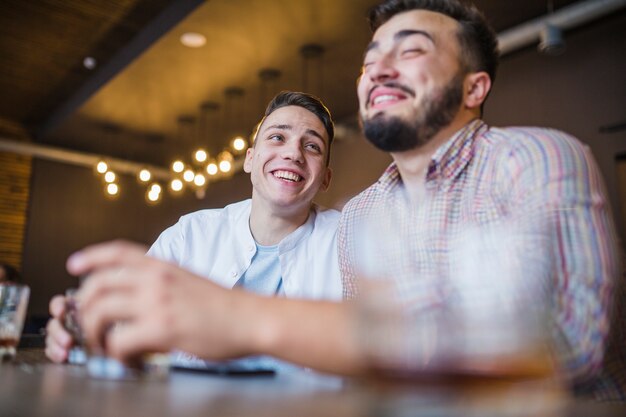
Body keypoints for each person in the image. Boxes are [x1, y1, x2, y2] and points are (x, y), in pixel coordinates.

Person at [58, 0, 623, 400]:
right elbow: (369, 361)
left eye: (411, 50)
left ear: (475, 87)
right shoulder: (363, 215)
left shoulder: (534, 159)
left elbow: (574, 346)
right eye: (371, 57)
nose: (377, 67)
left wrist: (248, 319)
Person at [45, 91, 341, 368]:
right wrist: (77, 325)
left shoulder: (347, 240)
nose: (293, 153)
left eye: (312, 146)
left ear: (325, 178)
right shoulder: (191, 234)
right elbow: (118, 315)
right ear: (249, 159)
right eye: (278, 137)